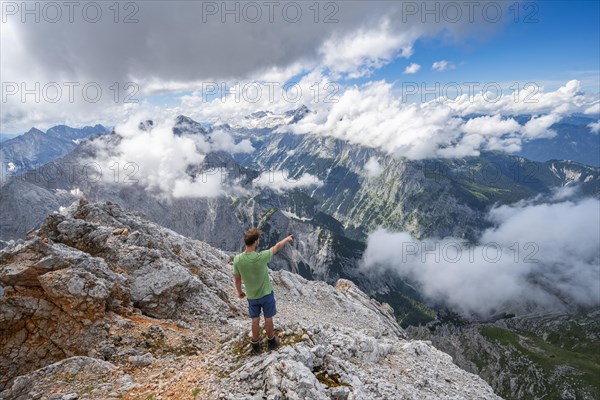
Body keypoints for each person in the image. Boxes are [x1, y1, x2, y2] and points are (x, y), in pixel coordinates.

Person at [233, 227, 293, 354]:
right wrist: (287, 239)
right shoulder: (262, 256)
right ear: (255, 242)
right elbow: (277, 246)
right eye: (258, 239)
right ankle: (271, 341)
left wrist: (239, 292)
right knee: (268, 318)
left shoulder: (237, 260)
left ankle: (255, 344)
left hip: (251, 296)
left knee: (255, 320)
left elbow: (237, 279)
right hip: (266, 294)